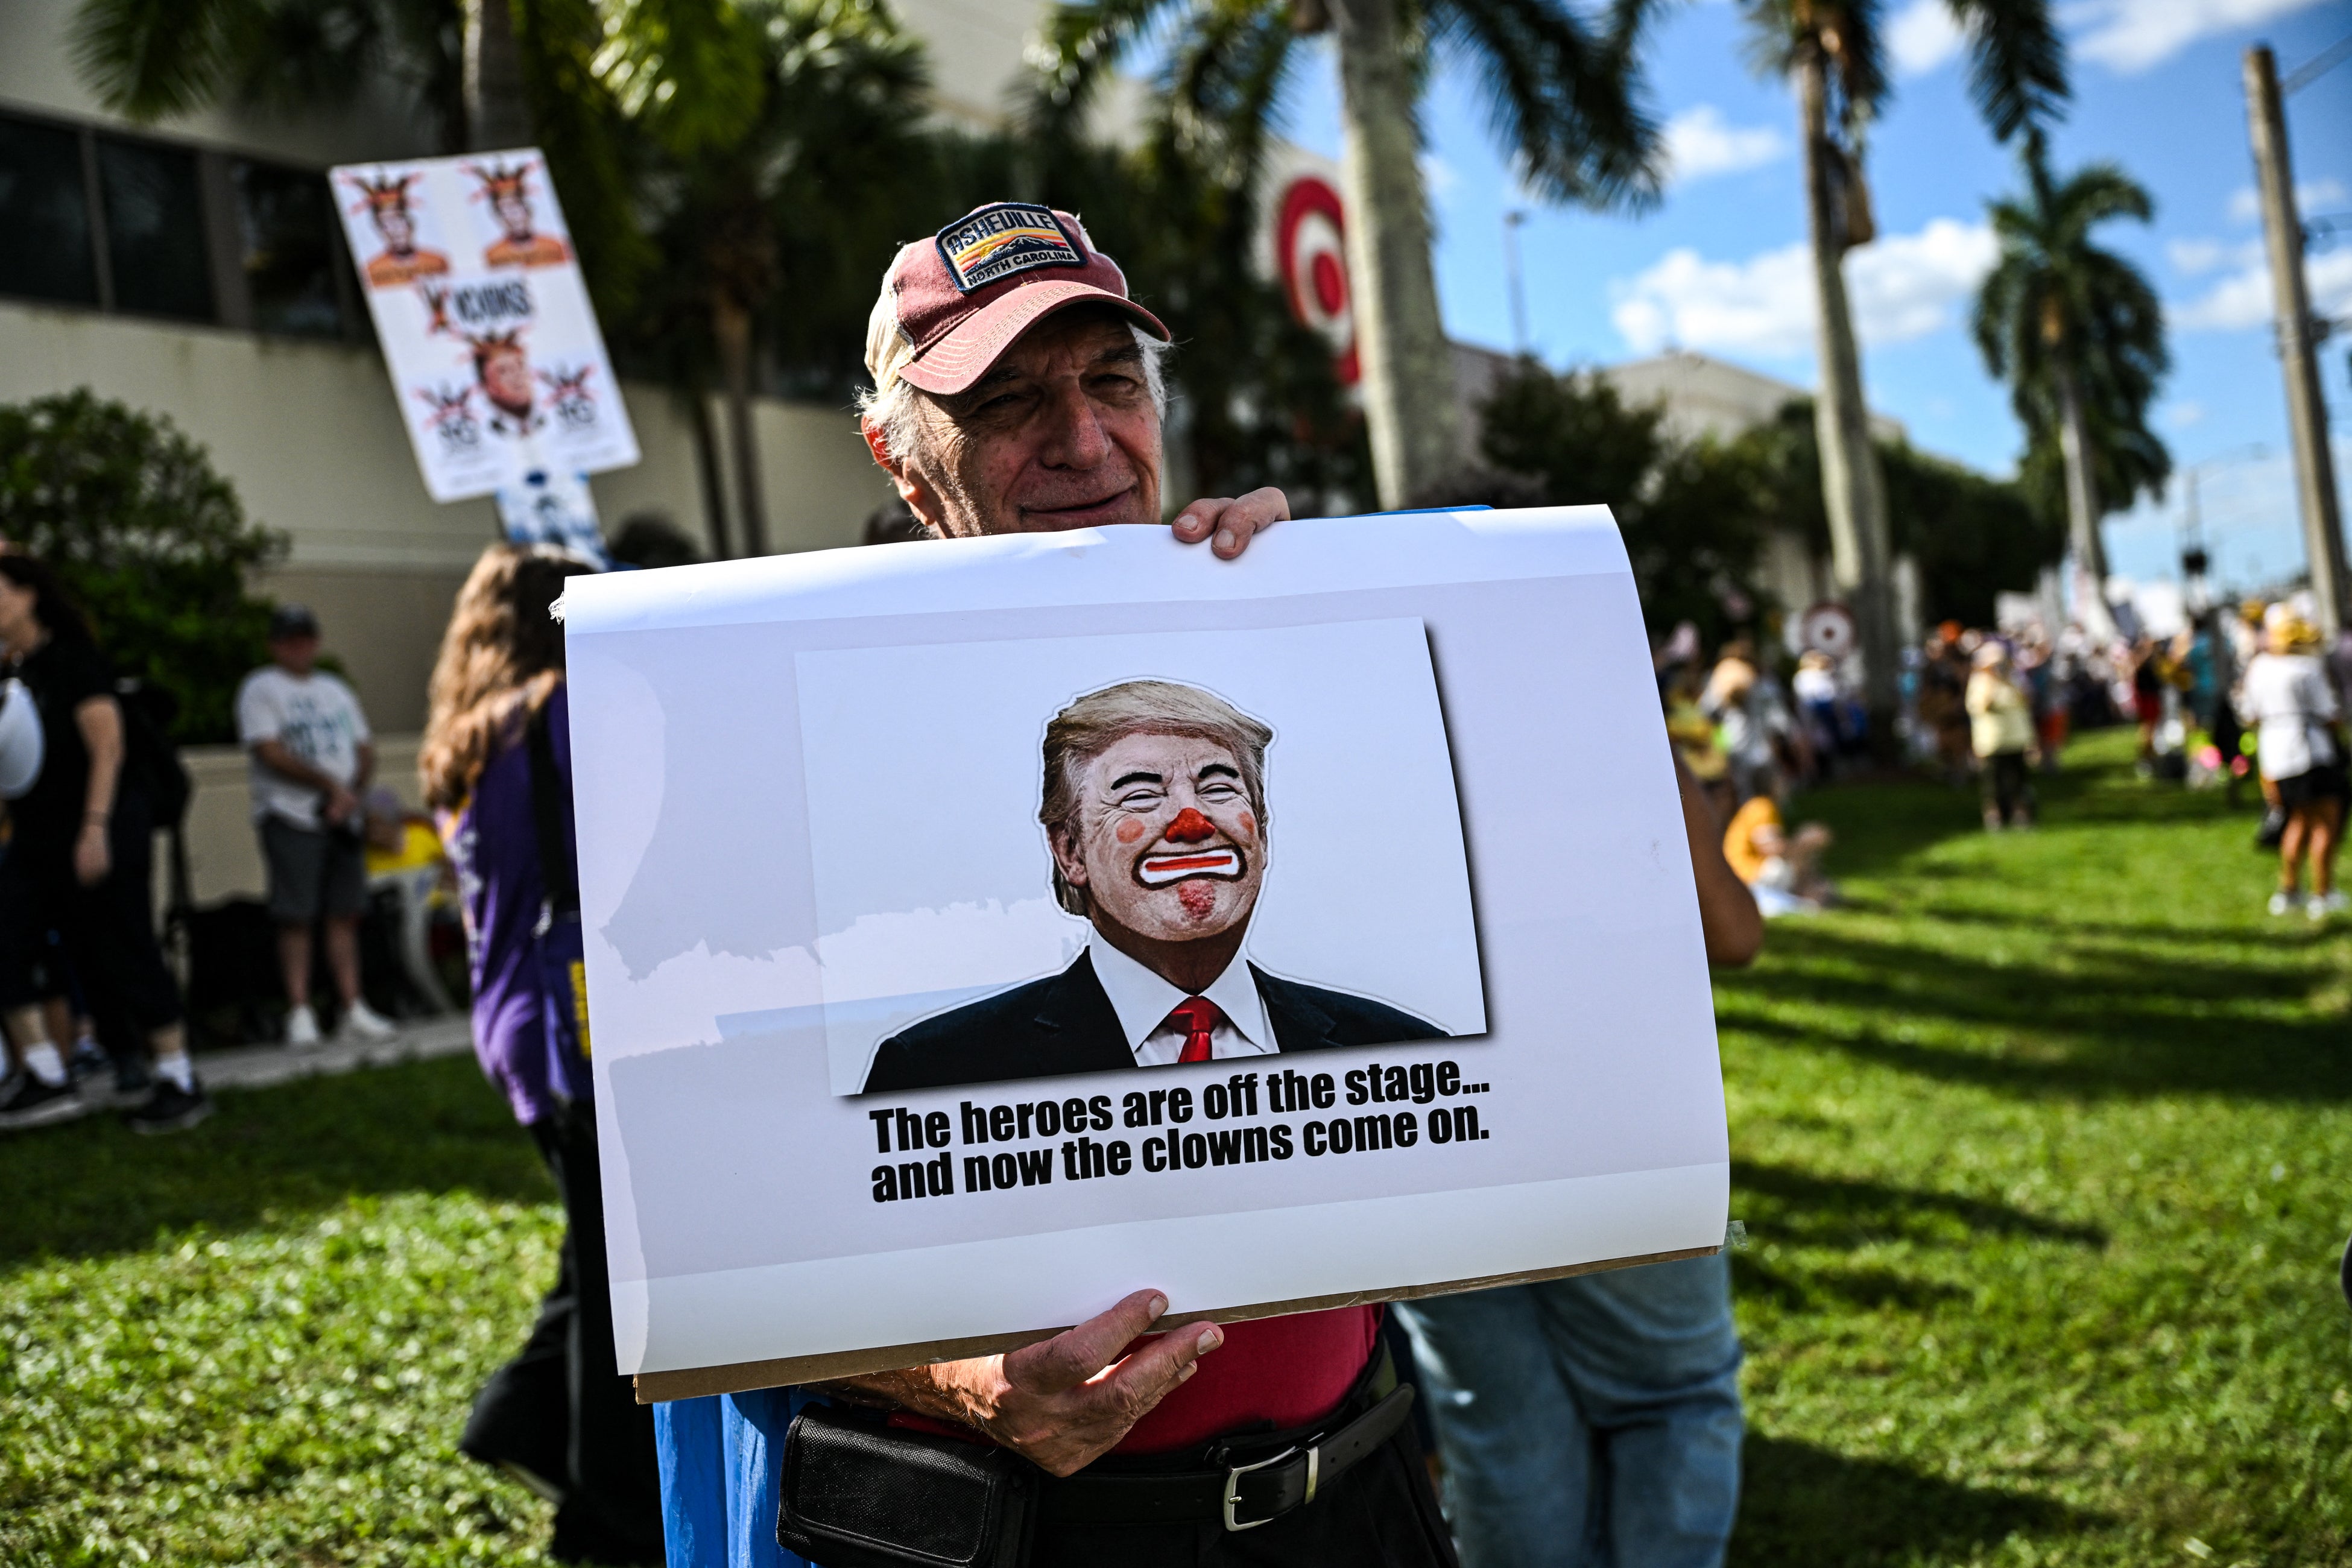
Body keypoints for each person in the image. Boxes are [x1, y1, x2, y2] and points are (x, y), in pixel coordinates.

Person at [656, 201, 1443, 1568]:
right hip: (1003, 1531)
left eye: (1109, 383)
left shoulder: (1277, 636)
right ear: (903, 463)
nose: (1081, 442)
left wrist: (1341, 627)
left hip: (1345, 1504)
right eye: (1009, 402)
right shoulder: (767, 739)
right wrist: (953, 1377)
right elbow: (688, 1232)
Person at [1390, 752, 1760, 1568]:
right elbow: (1736, 934)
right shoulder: (1616, 727)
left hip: (1426, 1122)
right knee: (1672, 1397)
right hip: (1616, 1114)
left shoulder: (1371, 732)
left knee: (1496, 1424)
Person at [425, 545, 662, 1565]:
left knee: (592, 1250)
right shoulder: (564, 707)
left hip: (518, 1023)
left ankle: (515, 1422)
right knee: (621, 1285)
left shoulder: (469, 735)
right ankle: (605, 1516)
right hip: (584, 1016)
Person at [864, 678, 1447, 1093]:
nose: (1191, 823)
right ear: (1070, 851)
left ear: (1261, 836)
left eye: (1219, 788)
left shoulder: (1405, 1054)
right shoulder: (937, 1071)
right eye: (1141, 794)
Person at [0, 554, 209, 1132]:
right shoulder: (10, 671)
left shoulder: (73, 661)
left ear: (29, 596)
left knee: (124, 945)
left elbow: (107, 748)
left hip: (102, 824)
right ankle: (44, 1073)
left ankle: (178, 1076)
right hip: (37, 834)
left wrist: (94, 830)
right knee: (8, 933)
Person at [236, 604, 396, 1048]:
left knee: (344, 912)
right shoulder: (261, 688)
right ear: (275, 645)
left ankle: (352, 1006)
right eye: (289, 639)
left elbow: (363, 746)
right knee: (297, 915)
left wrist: (350, 796)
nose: (299, 646)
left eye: (306, 637)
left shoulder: (335, 689)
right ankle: (300, 1010)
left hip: (341, 817)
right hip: (291, 814)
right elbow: (268, 749)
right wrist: (327, 785)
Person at [2237, 616, 2346, 918]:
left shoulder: (2258, 668)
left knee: (2295, 820)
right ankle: (2323, 893)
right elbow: (2329, 713)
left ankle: (2289, 890)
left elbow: (2249, 714)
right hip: (2312, 750)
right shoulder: (2307, 668)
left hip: (2275, 753)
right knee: (2325, 821)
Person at [1720, 790, 1835, 914]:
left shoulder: (1759, 805)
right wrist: (1804, 842)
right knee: (1798, 859)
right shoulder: (1763, 806)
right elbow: (1770, 847)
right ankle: (1810, 897)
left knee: (1801, 860)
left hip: (1740, 873)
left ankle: (1813, 894)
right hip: (1746, 874)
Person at [1966, 642, 2038, 830]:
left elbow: (2026, 704)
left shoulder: (2014, 680)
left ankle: (2020, 815)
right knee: (1993, 783)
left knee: (2018, 781)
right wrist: (1990, 680)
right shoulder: (1980, 682)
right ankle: (1995, 817)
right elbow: (1979, 707)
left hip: (2016, 739)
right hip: (1992, 741)